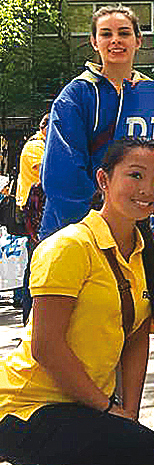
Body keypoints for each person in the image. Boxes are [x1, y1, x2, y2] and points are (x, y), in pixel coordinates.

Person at [0, 137, 154, 465]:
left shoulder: (149, 256)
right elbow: (46, 347)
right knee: (140, 449)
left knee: (132, 442)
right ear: (104, 180)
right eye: (135, 175)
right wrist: (108, 410)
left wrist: (128, 415)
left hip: (84, 405)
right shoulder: (69, 247)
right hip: (26, 405)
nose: (147, 189)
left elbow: (136, 338)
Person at [40, 5, 151, 240]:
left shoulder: (153, 94)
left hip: (138, 228)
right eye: (106, 34)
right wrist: (94, 226)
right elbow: (62, 171)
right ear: (94, 42)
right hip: (80, 229)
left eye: (124, 33)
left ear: (138, 40)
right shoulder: (77, 95)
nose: (115, 41)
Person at [14, 112, 48, 325]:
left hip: (40, 212)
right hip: (33, 214)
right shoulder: (35, 147)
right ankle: (30, 318)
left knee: (37, 262)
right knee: (36, 263)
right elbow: (49, 170)